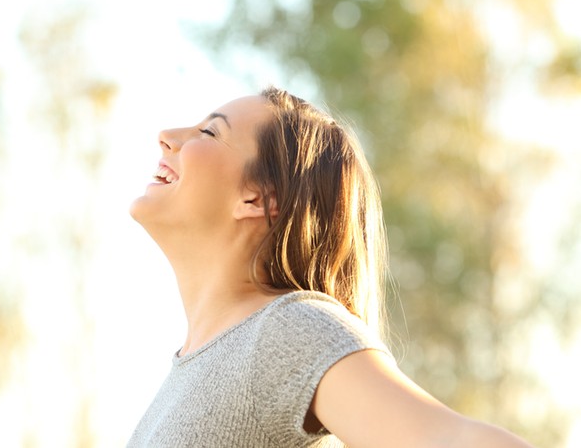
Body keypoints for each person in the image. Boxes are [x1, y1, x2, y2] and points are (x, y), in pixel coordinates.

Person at [126, 87, 533, 447]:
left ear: (259, 199)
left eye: (209, 132)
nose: (168, 137)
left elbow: (447, 439)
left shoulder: (285, 332)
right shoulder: (192, 367)